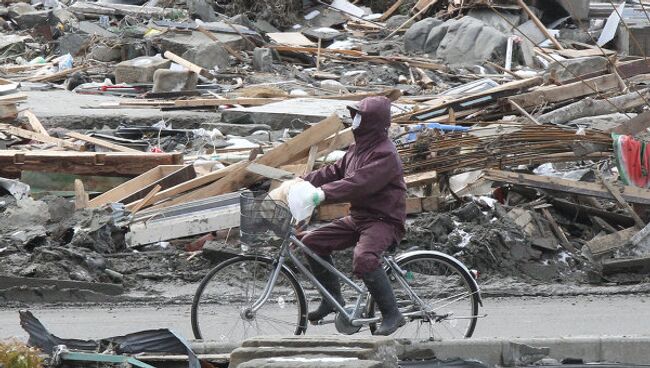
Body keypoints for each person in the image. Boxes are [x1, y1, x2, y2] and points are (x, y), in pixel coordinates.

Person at [294, 96, 407, 336]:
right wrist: (302, 182)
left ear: (372, 122)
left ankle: (392, 314)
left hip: (383, 220)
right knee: (311, 242)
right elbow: (335, 171)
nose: (354, 121)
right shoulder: (358, 148)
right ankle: (332, 299)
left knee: (364, 258)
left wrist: (322, 194)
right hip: (360, 217)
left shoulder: (385, 154)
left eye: (359, 116)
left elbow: (357, 184)